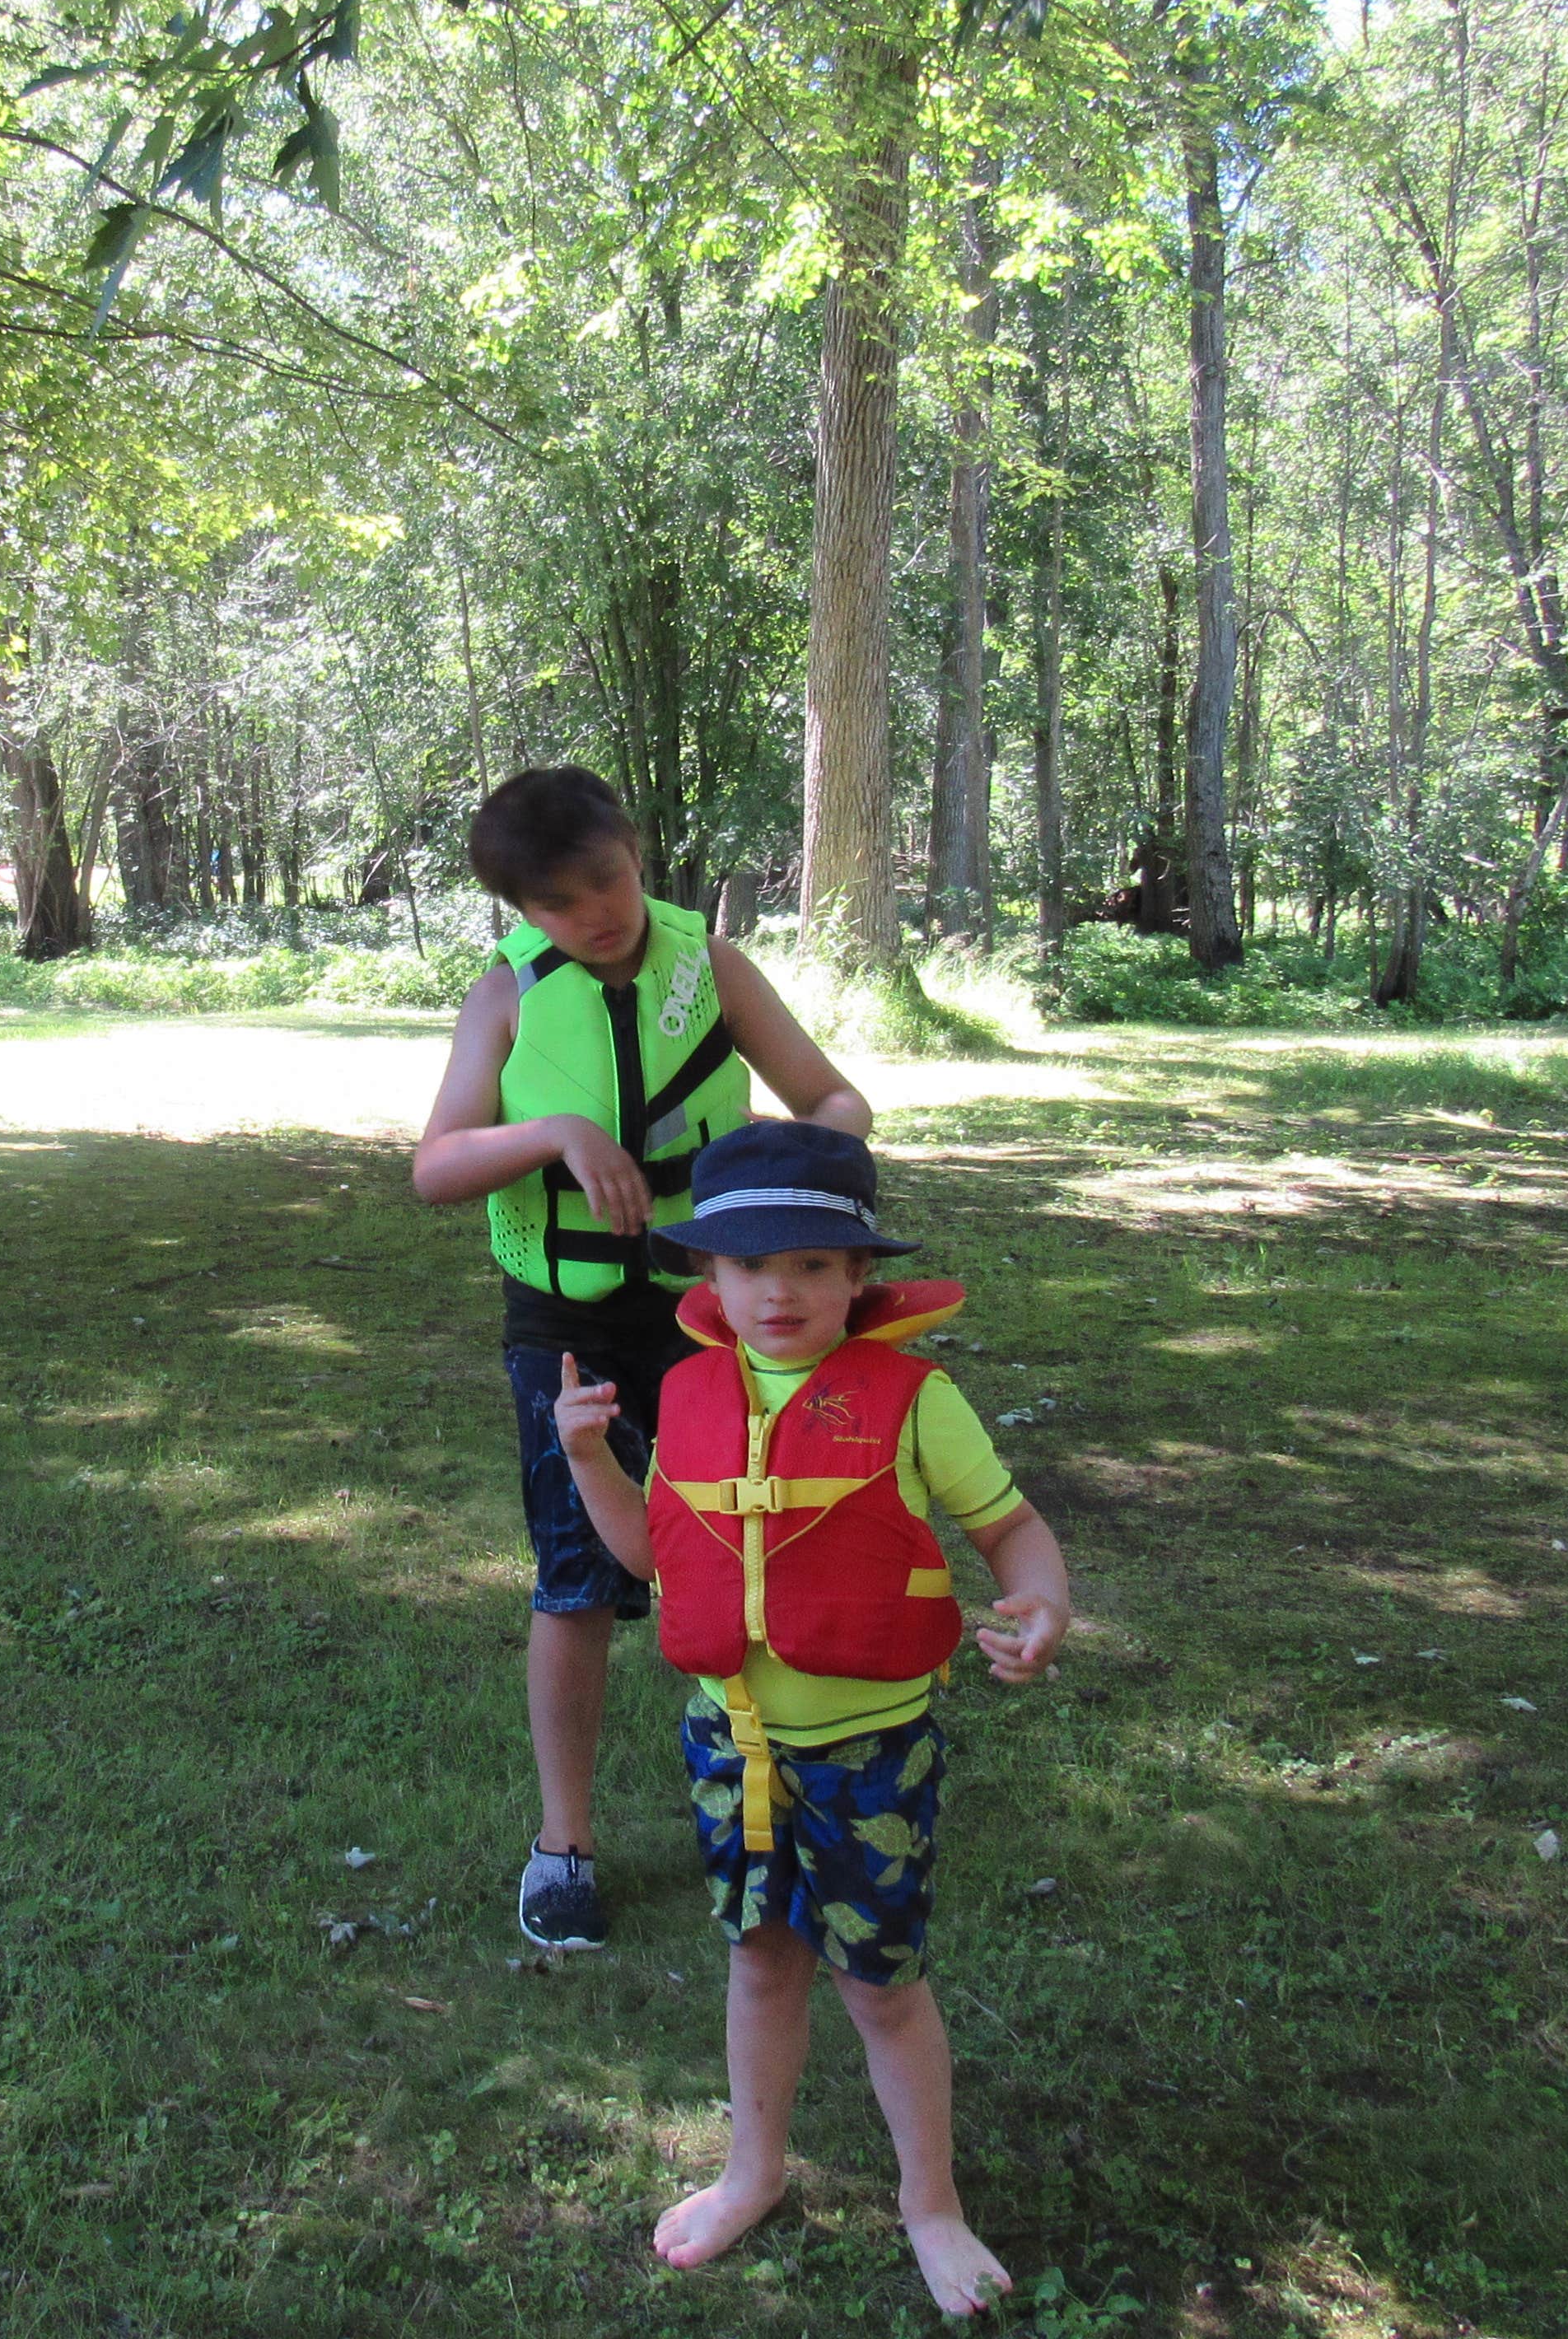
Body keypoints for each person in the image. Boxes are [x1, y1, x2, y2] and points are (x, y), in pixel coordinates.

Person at [550, 1119, 1071, 2319]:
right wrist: (590, 1463)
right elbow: (659, 1560)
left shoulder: (916, 1400)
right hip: (732, 1745)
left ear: (858, 1279)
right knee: (758, 1959)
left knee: (881, 1985)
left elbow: (1011, 1532)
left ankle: (930, 2203)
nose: (777, 1291)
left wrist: (1040, 1602)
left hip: (871, 1751)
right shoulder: (685, 1398)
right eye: (746, 1265)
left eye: (811, 1266)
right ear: (708, 1279)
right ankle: (753, 2170)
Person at [412, 768, 870, 1952]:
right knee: (577, 1581)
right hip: (564, 1328)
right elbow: (437, 1166)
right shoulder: (506, 997)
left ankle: (790, 1804)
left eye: (607, 878)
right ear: (522, 911)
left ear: (636, 847)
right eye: (559, 902)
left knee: (756, 1545)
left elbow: (835, 1099)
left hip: (713, 1322)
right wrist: (559, 1134)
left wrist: (786, 1170)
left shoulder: (707, 965)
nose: (597, 913)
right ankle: (563, 1843)